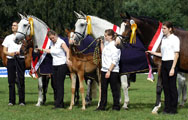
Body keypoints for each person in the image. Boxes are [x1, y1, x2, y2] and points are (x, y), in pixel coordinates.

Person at [147, 21, 180, 114]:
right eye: (162, 28)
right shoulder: (164, 39)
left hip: (171, 63)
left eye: (164, 28)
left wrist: (173, 68)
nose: (162, 30)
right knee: (165, 87)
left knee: (172, 87)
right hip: (164, 63)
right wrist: (152, 52)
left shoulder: (175, 39)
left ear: (170, 29)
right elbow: (162, 54)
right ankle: (167, 108)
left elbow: (176, 54)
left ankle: (173, 109)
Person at [37, 30, 71, 109]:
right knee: (55, 85)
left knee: (60, 85)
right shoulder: (52, 43)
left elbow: (67, 50)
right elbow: (50, 51)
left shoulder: (61, 42)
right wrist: (41, 49)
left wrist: (68, 59)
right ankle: (57, 103)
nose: (52, 39)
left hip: (62, 65)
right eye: (50, 39)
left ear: (55, 35)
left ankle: (60, 104)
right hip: (54, 65)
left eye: (52, 38)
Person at [96, 29, 121, 111]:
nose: (104, 37)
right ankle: (102, 106)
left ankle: (116, 106)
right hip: (104, 69)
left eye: (106, 35)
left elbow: (115, 60)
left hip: (112, 71)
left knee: (114, 89)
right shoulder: (107, 44)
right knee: (103, 89)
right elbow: (103, 52)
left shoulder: (115, 45)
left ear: (110, 36)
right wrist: (101, 43)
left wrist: (109, 71)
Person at [2, 22, 26, 106]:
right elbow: (4, 51)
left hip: (20, 60)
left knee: (21, 80)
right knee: (11, 81)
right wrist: (11, 54)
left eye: (15, 25)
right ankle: (11, 101)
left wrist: (21, 52)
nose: (13, 26)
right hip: (11, 60)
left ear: (18, 27)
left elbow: (26, 49)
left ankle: (22, 101)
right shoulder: (8, 38)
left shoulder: (23, 38)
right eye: (12, 25)